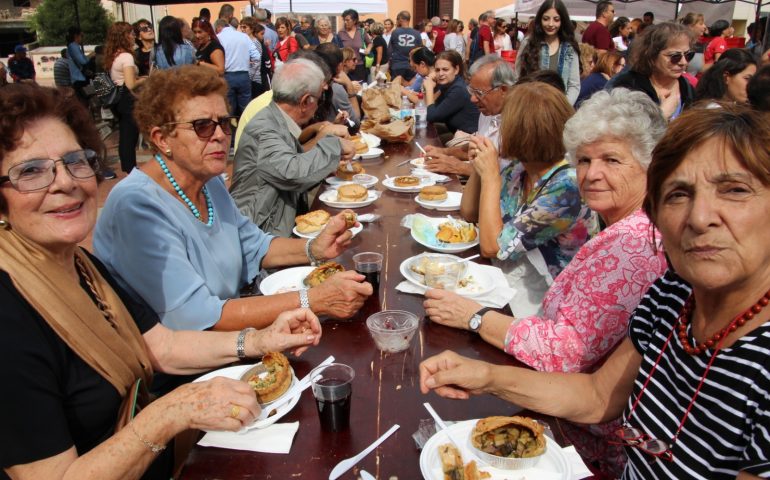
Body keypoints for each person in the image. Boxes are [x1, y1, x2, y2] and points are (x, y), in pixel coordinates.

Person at [421, 104, 770, 480]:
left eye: (734, 190)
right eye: (679, 194)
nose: (701, 217)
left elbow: (569, 353)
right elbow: (598, 396)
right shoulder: (673, 296)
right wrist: (485, 377)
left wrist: (474, 319)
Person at [0, 83, 322, 480]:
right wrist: (173, 412)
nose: (65, 181)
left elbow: (163, 346)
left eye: (76, 161)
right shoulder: (10, 312)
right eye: (30, 171)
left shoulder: (81, 265)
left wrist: (259, 340)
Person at [94, 65, 370, 334]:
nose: (219, 136)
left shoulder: (208, 181)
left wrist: (315, 248)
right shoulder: (136, 207)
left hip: (236, 330)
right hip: (192, 363)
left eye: (224, 123)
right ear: (162, 138)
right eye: (202, 126)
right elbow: (196, 316)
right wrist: (314, 299)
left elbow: (253, 244)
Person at [428, 87, 667, 374]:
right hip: (531, 322)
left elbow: (567, 354)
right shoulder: (624, 227)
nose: (592, 174)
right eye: (584, 160)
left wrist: (473, 317)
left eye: (612, 160)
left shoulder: (634, 243)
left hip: (563, 381)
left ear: (649, 163)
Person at [461, 82, 596, 316]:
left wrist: (491, 176)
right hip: (512, 285)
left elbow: (492, 247)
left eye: (504, 124)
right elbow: (470, 213)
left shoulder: (567, 187)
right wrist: (478, 166)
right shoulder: (518, 170)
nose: (500, 130)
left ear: (521, 132)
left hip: (550, 305)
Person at [230, 57, 356, 235]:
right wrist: (335, 146)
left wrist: (326, 164)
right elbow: (292, 173)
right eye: (318, 99)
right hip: (259, 235)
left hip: (274, 223)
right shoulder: (264, 128)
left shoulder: (275, 118)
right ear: (305, 101)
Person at [422, 55, 515, 176]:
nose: (473, 99)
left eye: (479, 93)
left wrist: (460, 167)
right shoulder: (488, 112)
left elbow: (509, 176)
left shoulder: (519, 122)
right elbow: (475, 149)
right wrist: (443, 152)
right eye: (472, 91)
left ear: (503, 90)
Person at [611, 22, 695, 120]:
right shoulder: (628, 86)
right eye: (675, 56)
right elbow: (623, 131)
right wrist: (662, 114)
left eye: (688, 55)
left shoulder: (687, 88)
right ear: (652, 55)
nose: (683, 62)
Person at [514, 0, 581, 104]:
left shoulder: (569, 47)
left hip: (559, 110)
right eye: (546, 19)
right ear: (540, 19)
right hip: (530, 107)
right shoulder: (528, 42)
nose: (551, 24)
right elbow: (517, 77)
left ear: (562, 20)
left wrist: (562, 107)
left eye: (556, 19)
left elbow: (574, 85)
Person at [105, 22, 145, 174]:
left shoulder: (114, 55)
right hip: (128, 99)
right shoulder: (126, 56)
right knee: (130, 135)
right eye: (131, 33)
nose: (134, 36)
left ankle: (128, 166)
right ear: (124, 36)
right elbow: (130, 84)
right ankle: (131, 168)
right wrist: (145, 79)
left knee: (125, 133)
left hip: (119, 99)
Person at [423, 50, 480, 136]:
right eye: (437, 70)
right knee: (427, 132)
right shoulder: (447, 85)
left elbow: (431, 116)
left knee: (430, 140)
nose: (440, 74)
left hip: (468, 138)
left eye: (445, 70)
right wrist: (431, 85)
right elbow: (429, 108)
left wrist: (429, 89)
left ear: (456, 69)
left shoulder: (458, 89)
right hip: (455, 132)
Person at [215, 18, 262, 117]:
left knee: (229, 110)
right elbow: (257, 56)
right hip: (244, 75)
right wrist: (249, 66)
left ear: (218, 28)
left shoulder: (218, 37)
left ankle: (231, 131)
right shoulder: (243, 37)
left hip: (227, 75)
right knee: (246, 110)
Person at [388, 11, 422, 81]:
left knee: (396, 88)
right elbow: (420, 49)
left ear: (401, 19)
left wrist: (389, 63)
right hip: (412, 66)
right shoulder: (416, 33)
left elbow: (389, 50)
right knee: (411, 88)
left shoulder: (395, 32)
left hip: (397, 65)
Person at [239, 17, 268, 97]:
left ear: (251, 29)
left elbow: (257, 62)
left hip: (254, 80)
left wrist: (248, 77)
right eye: (241, 27)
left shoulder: (255, 42)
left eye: (244, 27)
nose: (242, 29)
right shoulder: (244, 41)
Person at [337, 9, 370, 82]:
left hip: (360, 66)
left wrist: (368, 49)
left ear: (354, 21)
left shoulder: (361, 31)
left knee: (360, 88)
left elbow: (370, 43)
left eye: (347, 20)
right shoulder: (340, 33)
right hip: (346, 67)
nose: (345, 22)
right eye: (344, 20)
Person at [66, 27, 91, 103]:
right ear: (76, 36)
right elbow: (82, 61)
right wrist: (91, 56)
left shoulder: (73, 47)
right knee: (83, 101)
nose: (82, 38)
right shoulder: (73, 46)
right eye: (81, 36)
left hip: (78, 78)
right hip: (78, 78)